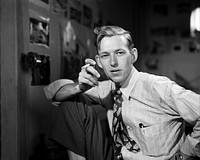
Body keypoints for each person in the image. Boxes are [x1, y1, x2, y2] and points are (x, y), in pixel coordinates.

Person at [44, 26, 200, 160]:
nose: (112, 62)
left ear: (133, 55)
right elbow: (53, 93)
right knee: (71, 104)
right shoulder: (107, 89)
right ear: (99, 61)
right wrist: (79, 87)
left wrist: (185, 153)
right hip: (117, 157)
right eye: (106, 55)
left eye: (119, 53)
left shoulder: (158, 87)